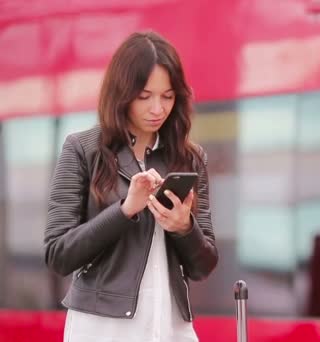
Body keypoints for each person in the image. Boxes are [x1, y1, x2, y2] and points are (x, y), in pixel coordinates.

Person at [44, 31, 218, 342]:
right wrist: (125, 210)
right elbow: (59, 255)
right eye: (144, 96)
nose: (157, 109)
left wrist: (183, 227)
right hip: (101, 330)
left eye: (167, 96)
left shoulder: (190, 159)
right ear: (122, 93)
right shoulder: (82, 150)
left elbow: (203, 266)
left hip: (172, 328)